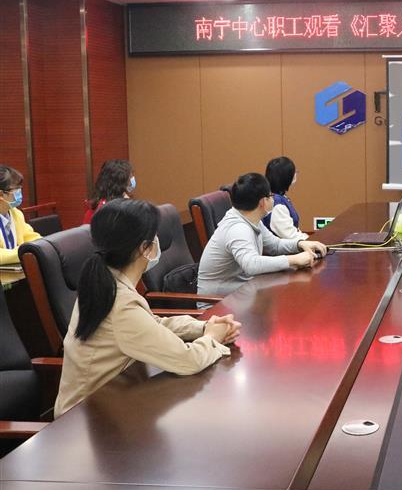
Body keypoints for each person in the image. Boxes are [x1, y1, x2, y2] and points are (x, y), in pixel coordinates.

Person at [55, 199, 240, 416]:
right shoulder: (119, 303)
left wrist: (203, 327)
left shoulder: (104, 282)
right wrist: (213, 337)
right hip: (86, 419)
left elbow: (151, 324)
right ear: (144, 248)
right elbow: (188, 361)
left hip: (113, 401)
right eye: (154, 235)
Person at [198, 173, 327, 297]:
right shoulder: (238, 229)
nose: (273, 199)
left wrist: (300, 244)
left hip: (241, 294)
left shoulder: (251, 218)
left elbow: (275, 245)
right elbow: (252, 265)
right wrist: (293, 260)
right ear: (263, 202)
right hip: (218, 304)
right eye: (271, 196)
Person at [0, 165, 42, 266]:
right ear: (1, 195)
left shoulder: (16, 213)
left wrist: (45, 246)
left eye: (19, 188)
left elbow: (30, 237)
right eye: (16, 189)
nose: (19, 192)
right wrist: (25, 251)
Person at [262, 156, 308, 241]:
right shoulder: (276, 203)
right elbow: (289, 235)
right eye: (294, 172)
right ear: (286, 176)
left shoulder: (280, 197)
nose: (296, 174)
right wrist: (311, 240)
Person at [83, 159, 136, 225]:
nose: (132, 181)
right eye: (130, 177)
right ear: (120, 181)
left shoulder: (123, 203)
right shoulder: (107, 210)